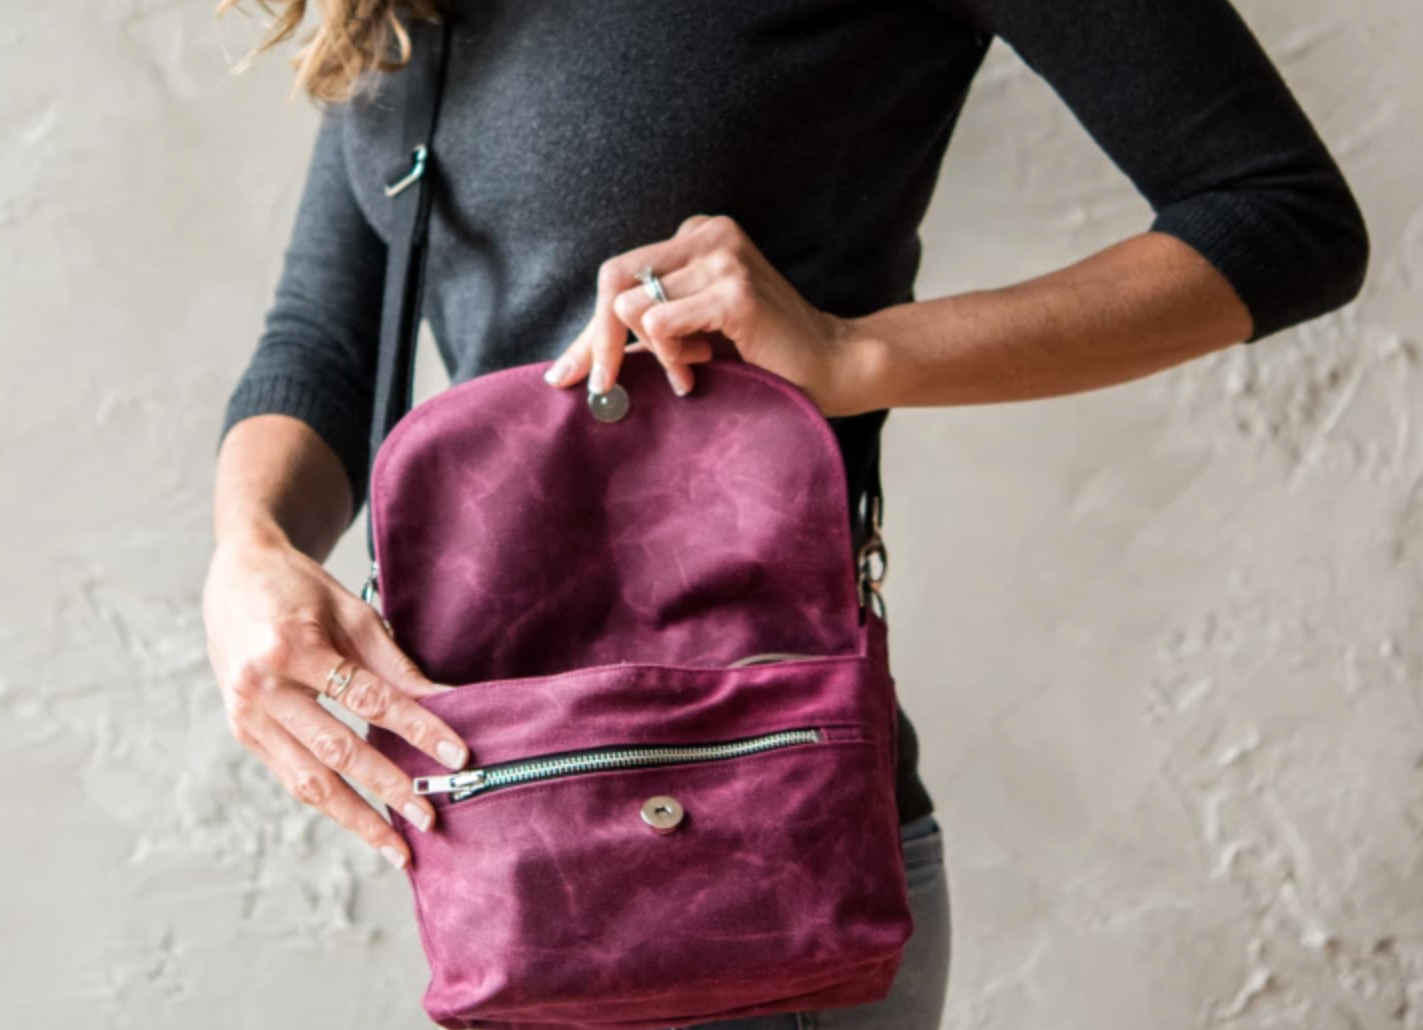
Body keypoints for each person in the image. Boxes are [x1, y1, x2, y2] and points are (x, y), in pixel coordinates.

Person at [204, 0, 1368, 1026]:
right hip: (511, 865)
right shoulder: (398, 9)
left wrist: (854, 355)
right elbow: (323, 340)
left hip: (741, 872)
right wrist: (245, 546)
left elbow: (1278, 216)